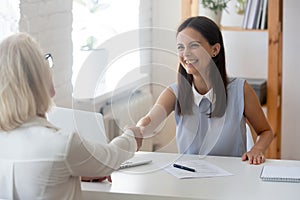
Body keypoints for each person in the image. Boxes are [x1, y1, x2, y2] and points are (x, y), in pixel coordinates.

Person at [0, 32, 142, 199]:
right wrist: (132, 137)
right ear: (37, 78)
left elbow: (32, 178)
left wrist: (71, 172)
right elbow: (109, 158)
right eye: (44, 61)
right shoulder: (61, 145)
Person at [137, 16, 273, 165]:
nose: (186, 53)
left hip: (233, 179)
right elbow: (149, 121)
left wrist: (256, 150)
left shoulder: (241, 90)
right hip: (190, 178)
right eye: (181, 47)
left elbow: (265, 132)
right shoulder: (174, 92)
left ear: (215, 50)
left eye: (194, 45)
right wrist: (137, 131)